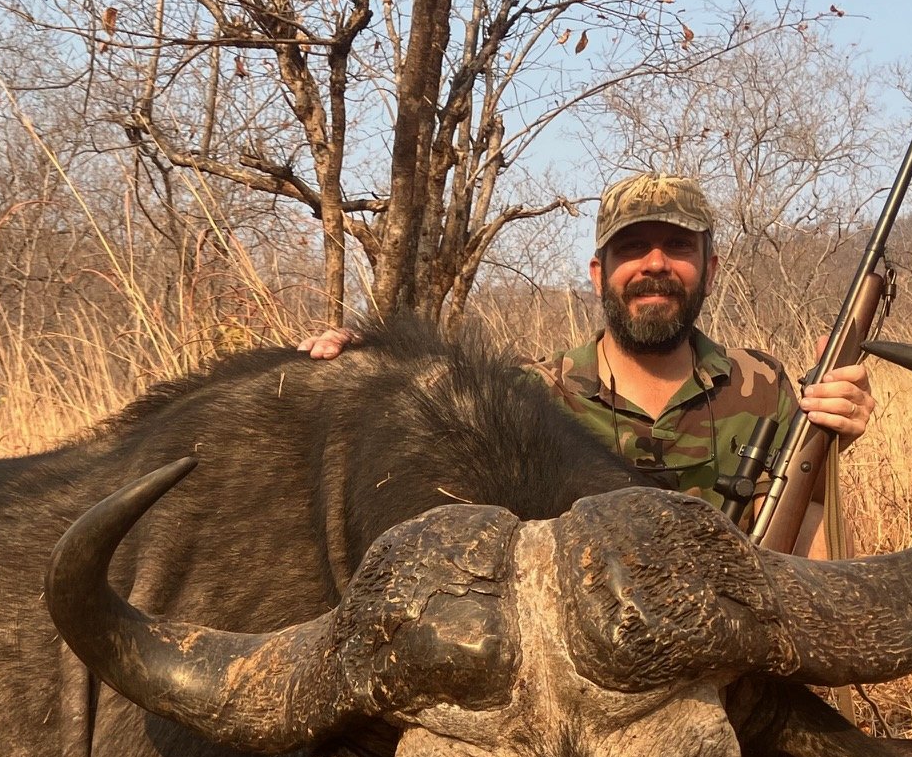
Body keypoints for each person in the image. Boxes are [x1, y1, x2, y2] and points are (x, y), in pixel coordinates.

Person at [297, 173, 875, 540]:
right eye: (631, 247)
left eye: (677, 246)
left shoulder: (766, 385)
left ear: (710, 268)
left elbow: (811, 536)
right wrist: (360, 362)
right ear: (599, 275)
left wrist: (833, 437)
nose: (654, 264)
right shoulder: (520, 394)